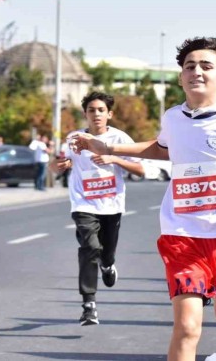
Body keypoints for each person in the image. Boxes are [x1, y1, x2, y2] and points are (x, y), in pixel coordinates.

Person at [70, 37, 216, 361]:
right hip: (182, 232)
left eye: (206, 66)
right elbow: (163, 149)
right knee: (186, 328)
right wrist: (108, 147)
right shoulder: (173, 117)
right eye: (189, 66)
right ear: (181, 76)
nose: (196, 71)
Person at [56, 91, 144, 326]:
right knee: (90, 248)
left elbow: (140, 170)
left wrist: (113, 159)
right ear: (85, 114)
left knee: (106, 251)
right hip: (83, 203)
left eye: (101, 110)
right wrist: (63, 164)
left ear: (109, 114)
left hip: (111, 204)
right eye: (91, 110)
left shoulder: (120, 138)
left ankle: (107, 265)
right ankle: (89, 305)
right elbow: (62, 163)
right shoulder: (73, 138)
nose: (96, 114)